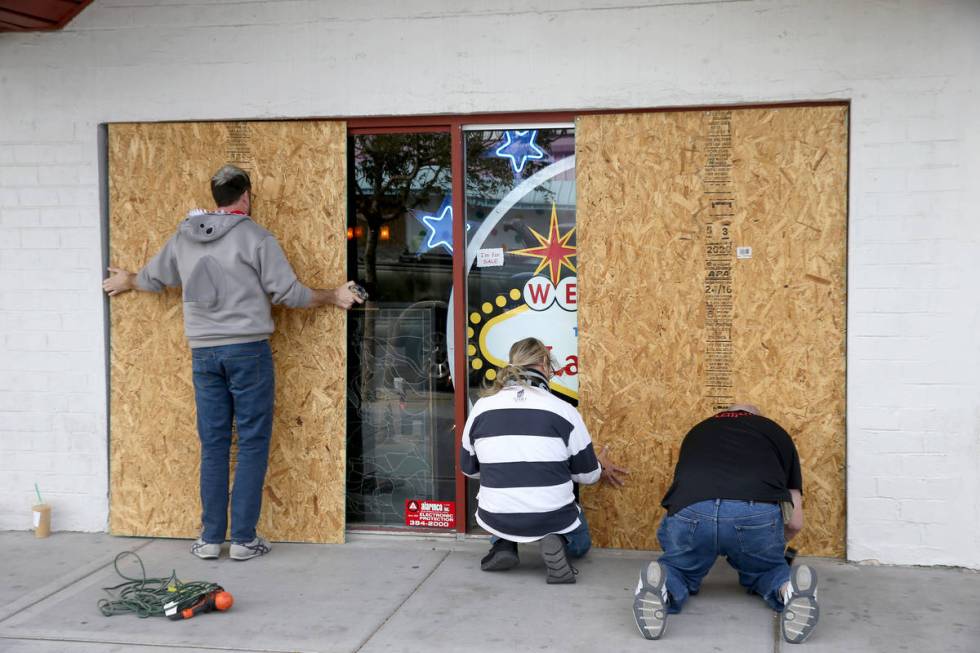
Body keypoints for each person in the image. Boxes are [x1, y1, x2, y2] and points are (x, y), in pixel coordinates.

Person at [103, 164, 363, 561]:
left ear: (217, 197)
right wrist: (333, 296)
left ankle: (209, 539)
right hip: (247, 351)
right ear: (246, 197)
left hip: (203, 353)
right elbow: (288, 294)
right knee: (253, 442)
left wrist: (128, 280)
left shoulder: (183, 237)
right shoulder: (256, 237)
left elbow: (154, 280)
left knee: (214, 445)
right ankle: (243, 540)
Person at [632, 404, 818, 644]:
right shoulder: (775, 432)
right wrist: (774, 546)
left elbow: (678, 493)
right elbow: (795, 522)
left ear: (722, 414)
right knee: (767, 570)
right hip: (753, 511)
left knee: (680, 567)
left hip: (691, 508)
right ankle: (788, 589)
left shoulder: (697, 431)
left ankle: (662, 585)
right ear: (757, 417)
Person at [460, 337, 627, 584]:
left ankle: (504, 543)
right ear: (544, 364)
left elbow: (468, 469)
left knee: (505, 506)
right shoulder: (563, 410)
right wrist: (597, 465)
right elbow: (588, 476)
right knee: (580, 543)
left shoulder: (481, 409)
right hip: (551, 515)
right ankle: (557, 539)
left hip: (497, 515)